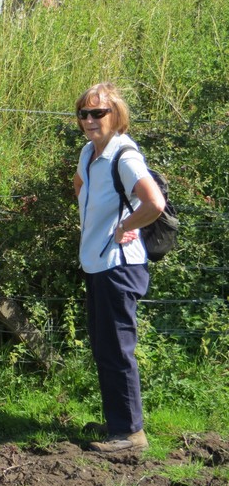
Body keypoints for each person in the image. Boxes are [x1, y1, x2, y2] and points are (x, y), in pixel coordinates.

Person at [72, 82, 165, 452]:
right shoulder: (89, 152)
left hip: (119, 266)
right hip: (97, 261)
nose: (89, 120)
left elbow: (154, 202)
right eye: (84, 113)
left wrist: (126, 225)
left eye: (98, 113)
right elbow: (79, 184)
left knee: (117, 349)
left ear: (117, 115)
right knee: (104, 346)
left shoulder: (124, 156)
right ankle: (118, 423)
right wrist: (95, 221)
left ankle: (130, 434)